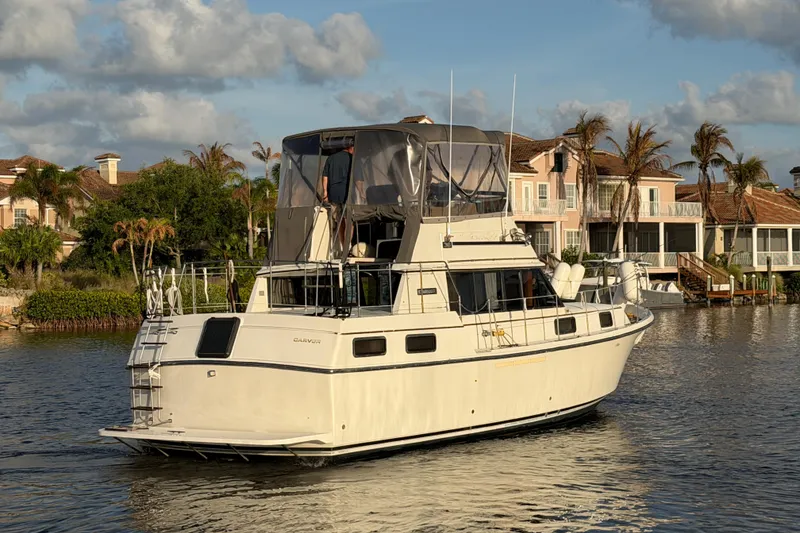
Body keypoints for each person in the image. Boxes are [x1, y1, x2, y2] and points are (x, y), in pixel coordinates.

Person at [322, 143, 354, 255]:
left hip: (333, 193)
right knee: (349, 220)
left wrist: (325, 192)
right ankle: (348, 247)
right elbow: (357, 177)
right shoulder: (352, 159)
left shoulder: (331, 158)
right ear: (351, 148)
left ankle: (342, 246)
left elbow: (325, 176)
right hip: (348, 194)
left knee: (340, 221)